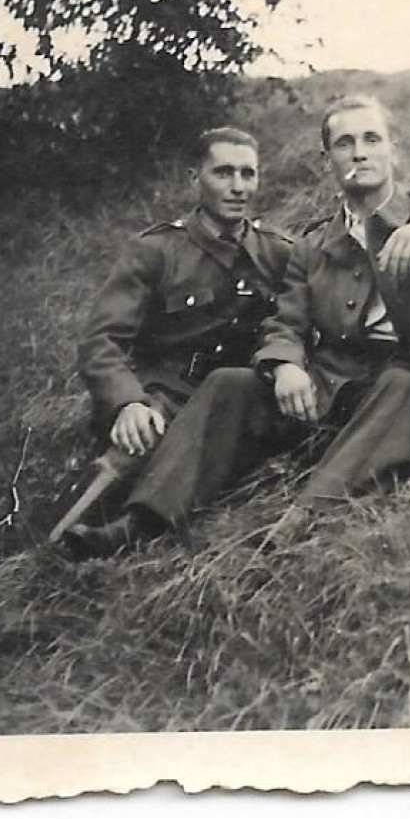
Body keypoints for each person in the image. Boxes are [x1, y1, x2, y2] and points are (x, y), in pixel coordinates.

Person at [62, 94, 410, 558]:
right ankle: (142, 520)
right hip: (339, 379)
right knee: (229, 383)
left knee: (399, 380)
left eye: (372, 139)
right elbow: (286, 321)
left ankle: (302, 519)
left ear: (393, 149)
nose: (360, 153)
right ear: (328, 160)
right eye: (345, 143)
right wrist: (285, 364)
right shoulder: (313, 242)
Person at [60, 127, 292, 537]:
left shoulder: (277, 253)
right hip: (164, 393)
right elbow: (102, 341)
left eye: (248, 174)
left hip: (234, 398)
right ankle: (51, 545)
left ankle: (134, 528)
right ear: (194, 178)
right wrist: (127, 402)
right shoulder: (156, 251)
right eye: (223, 173)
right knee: (128, 453)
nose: (238, 187)